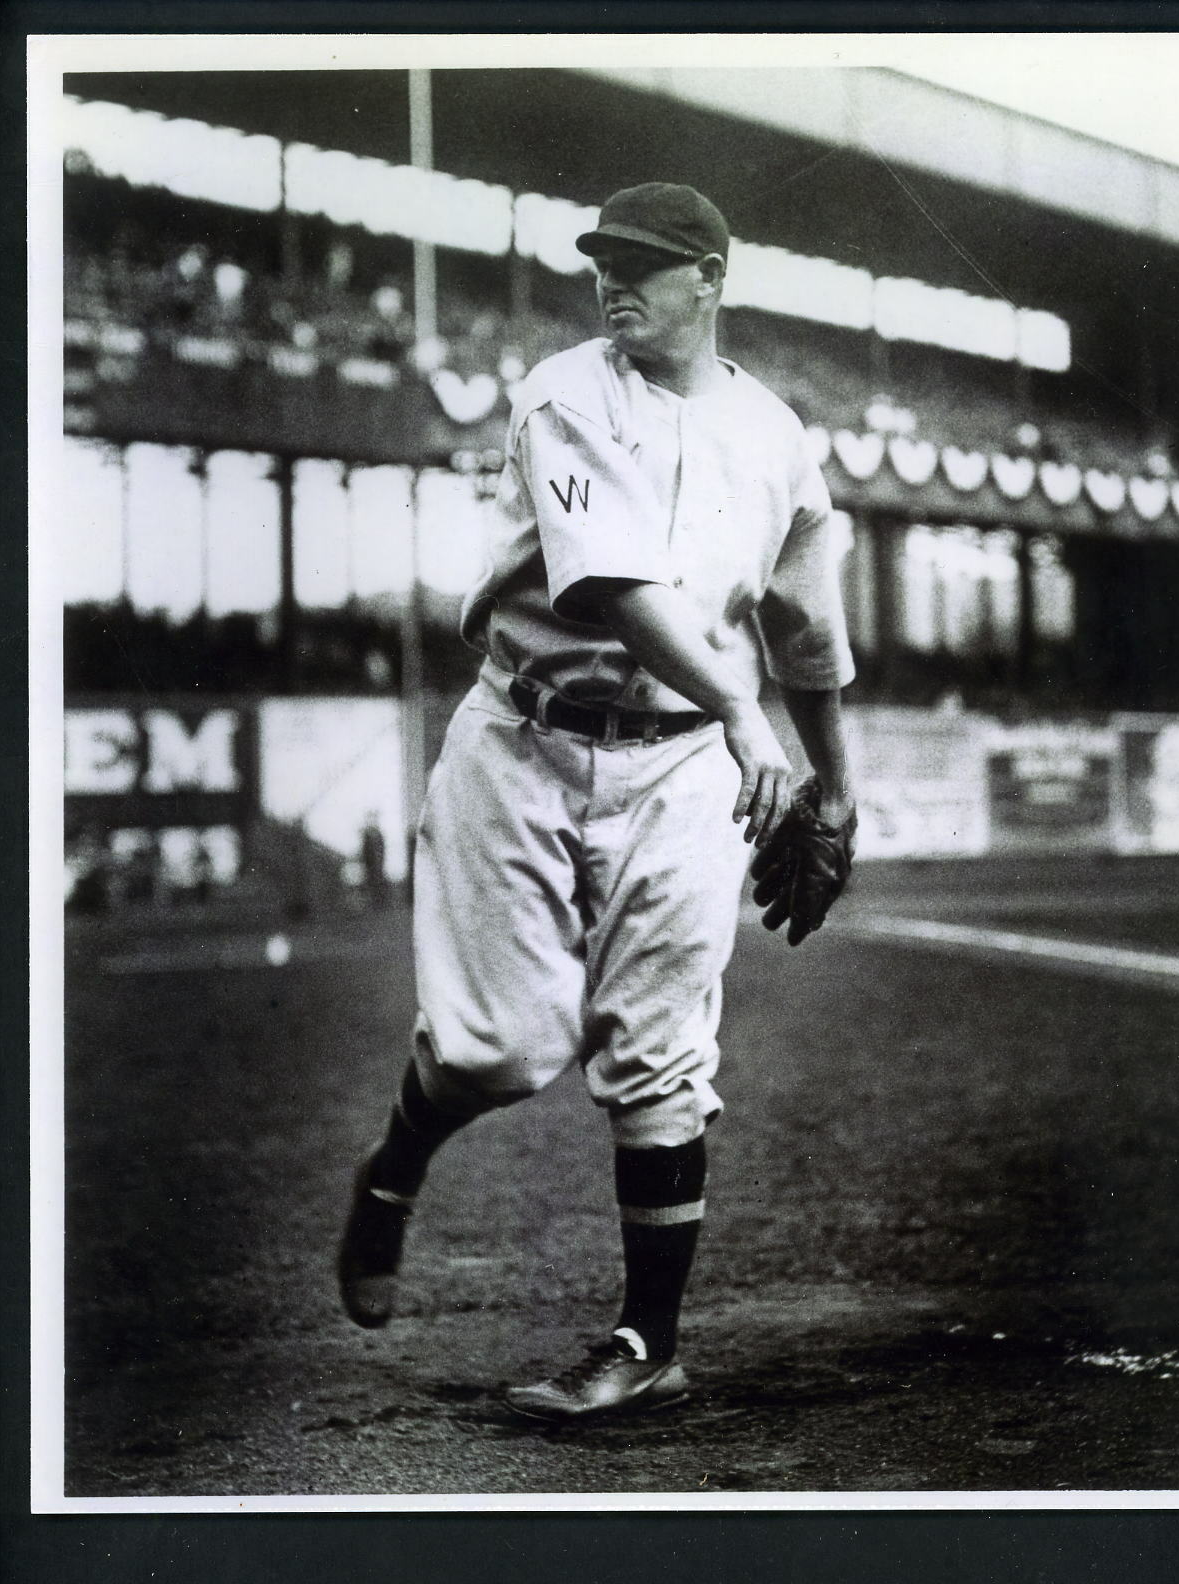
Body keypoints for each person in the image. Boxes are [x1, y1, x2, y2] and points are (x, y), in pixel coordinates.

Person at [338, 183, 857, 1421]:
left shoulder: (779, 436)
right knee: (497, 1047)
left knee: (664, 1056)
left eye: (646, 263)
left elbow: (810, 635)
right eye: (603, 263)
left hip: (678, 770)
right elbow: (613, 587)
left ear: (712, 277)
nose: (614, 280)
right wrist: (744, 714)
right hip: (524, 734)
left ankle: (645, 1339)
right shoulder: (566, 389)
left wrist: (839, 789)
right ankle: (395, 1167)